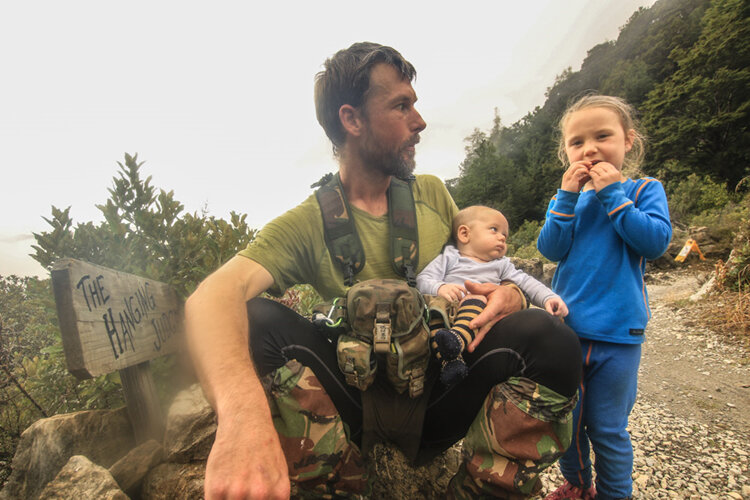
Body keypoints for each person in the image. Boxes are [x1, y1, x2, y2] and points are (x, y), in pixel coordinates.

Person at [185, 42, 582, 500]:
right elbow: (210, 298)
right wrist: (242, 418)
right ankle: (332, 480)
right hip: (352, 404)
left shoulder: (432, 193)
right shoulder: (307, 221)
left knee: (551, 340)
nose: (420, 120)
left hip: (441, 396)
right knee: (256, 320)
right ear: (351, 120)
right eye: (401, 105)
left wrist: (511, 291)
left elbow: (482, 264)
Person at [537, 94, 672, 500]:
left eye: (602, 136)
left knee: (608, 428)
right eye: (577, 142)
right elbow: (550, 249)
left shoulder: (645, 188)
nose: (590, 148)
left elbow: (654, 242)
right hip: (568, 333)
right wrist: (565, 197)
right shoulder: (568, 199)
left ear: (628, 141)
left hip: (619, 334)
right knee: (567, 420)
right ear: (567, 152)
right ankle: (578, 485)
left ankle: (616, 494)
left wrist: (613, 195)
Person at [417, 205, 568, 385]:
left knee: (477, 299)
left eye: (505, 235)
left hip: (479, 316)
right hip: (447, 312)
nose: (502, 237)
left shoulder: (501, 264)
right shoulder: (449, 257)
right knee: (434, 312)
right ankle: (450, 362)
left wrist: (548, 298)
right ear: (465, 234)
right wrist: (440, 287)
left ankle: (456, 341)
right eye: (494, 230)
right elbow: (423, 279)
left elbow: (526, 281)